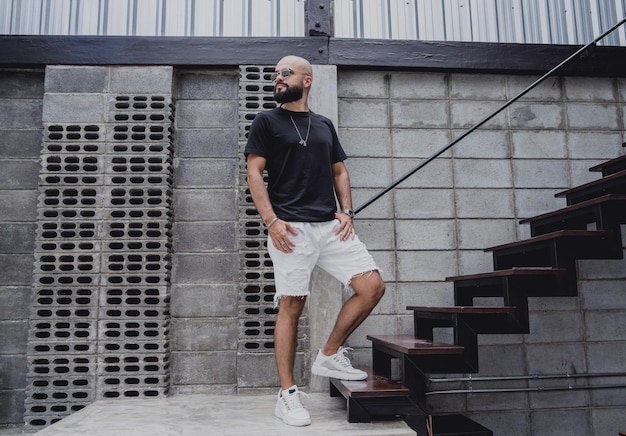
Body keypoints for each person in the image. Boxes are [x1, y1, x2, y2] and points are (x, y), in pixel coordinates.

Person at [245, 55, 385, 427]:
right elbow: (254, 173)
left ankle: (329, 353)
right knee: (292, 305)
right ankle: (287, 394)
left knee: (371, 286)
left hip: (330, 226)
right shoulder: (266, 121)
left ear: (306, 80)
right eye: (275, 74)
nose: (277, 78)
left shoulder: (323, 125)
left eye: (285, 73)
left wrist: (347, 210)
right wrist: (271, 220)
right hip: (290, 228)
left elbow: (339, 169)